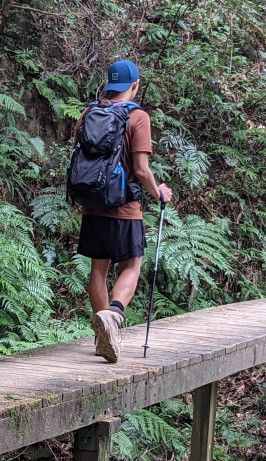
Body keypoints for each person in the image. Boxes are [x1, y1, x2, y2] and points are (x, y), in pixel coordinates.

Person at [76, 59, 173, 363]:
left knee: (98, 269)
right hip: (124, 207)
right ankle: (114, 316)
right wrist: (158, 192)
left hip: (92, 204)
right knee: (132, 265)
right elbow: (142, 170)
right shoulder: (138, 117)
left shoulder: (88, 113)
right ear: (135, 85)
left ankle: (103, 332)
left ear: (109, 84)